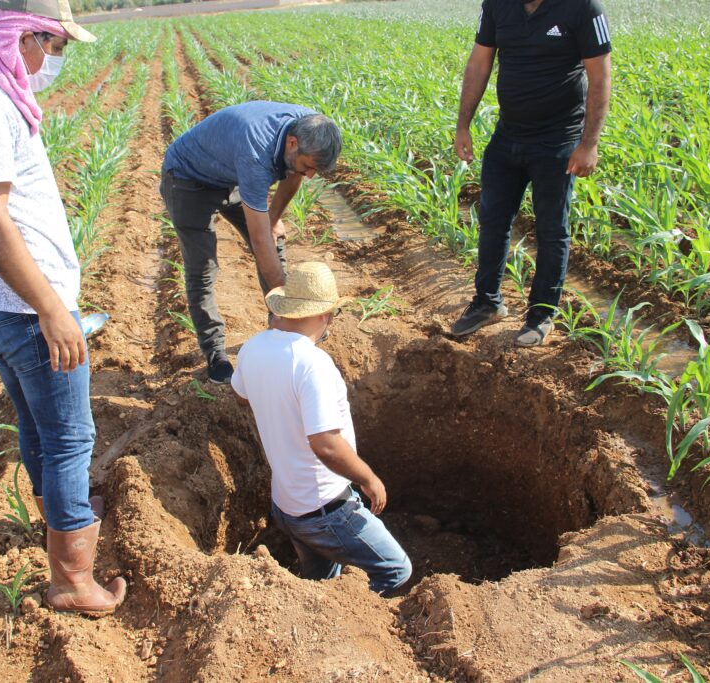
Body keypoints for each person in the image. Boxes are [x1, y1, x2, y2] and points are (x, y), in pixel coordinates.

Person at [0, 0, 126, 615]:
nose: (54, 60)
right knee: (69, 438)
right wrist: (51, 308)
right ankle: (71, 581)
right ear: (22, 37)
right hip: (21, 308)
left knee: (40, 428)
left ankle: (57, 531)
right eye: (55, 45)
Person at [230, 262, 412, 595]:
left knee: (321, 583)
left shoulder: (252, 348)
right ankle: (354, 620)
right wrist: (368, 479)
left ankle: (326, 615)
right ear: (320, 315)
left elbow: (241, 396)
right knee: (396, 570)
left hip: (286, 506)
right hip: (325, 510)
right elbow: (326, 444)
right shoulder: (312, 364)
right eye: (330, 314)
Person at [451, 0, 612, 346]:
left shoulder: (583, 8)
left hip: (558, 141)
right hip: (508, 134)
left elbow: (600, 76)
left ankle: (541, 315)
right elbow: (480, 63)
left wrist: (589, 144)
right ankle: (487, 302)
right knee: (492, 220)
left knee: (552, 229)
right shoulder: (497, 4)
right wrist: (463, 125)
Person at [160, 102, 342, 383]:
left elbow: (293, 176)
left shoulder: (308, 126)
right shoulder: (257, 153)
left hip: (228, 175)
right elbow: (259, 240)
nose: (310, 175)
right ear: (291, 144)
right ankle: (215, 353)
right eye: (309, 167)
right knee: (203, 270)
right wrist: (291, 303)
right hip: (188, 180)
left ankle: (282, 329)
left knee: (275, 240)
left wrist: (273, 218)